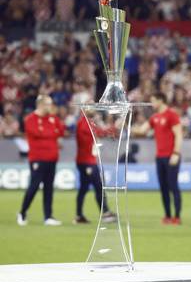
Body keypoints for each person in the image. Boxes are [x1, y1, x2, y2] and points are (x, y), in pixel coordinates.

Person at [134, 92, 183, 224]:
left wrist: (176, 153)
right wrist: (126, 127)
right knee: (163, 188)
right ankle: (167, 215)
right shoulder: (154, 117)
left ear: (161, 100)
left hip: (171, 156)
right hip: (159, 157)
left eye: (153, 101)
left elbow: (179, 135)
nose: (152, 104)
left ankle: (177, 216)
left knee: (173, 186)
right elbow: (142, 131)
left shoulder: (171, 115)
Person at [17, 95, 64, 226]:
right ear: (41, 105)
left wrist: (52, 129)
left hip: (52, 159)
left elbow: (60, 131)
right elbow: (40, 134)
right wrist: (51, 132)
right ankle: (22, 213)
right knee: (34, 186)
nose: (51, 107)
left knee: (49, 188)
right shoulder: (30, 119)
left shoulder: (53, 118)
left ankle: (48, 216)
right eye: (48, 104)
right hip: (38, 159)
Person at [74, 112, 116, 224]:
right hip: (87, 161)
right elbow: (100, 133)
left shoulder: (87, 123)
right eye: (91, 105)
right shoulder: (84, 124)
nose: (95, 108)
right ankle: (105, 213)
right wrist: (114, 127)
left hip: (86, 160)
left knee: (84, 188)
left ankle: (79, 215)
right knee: (98, 185)